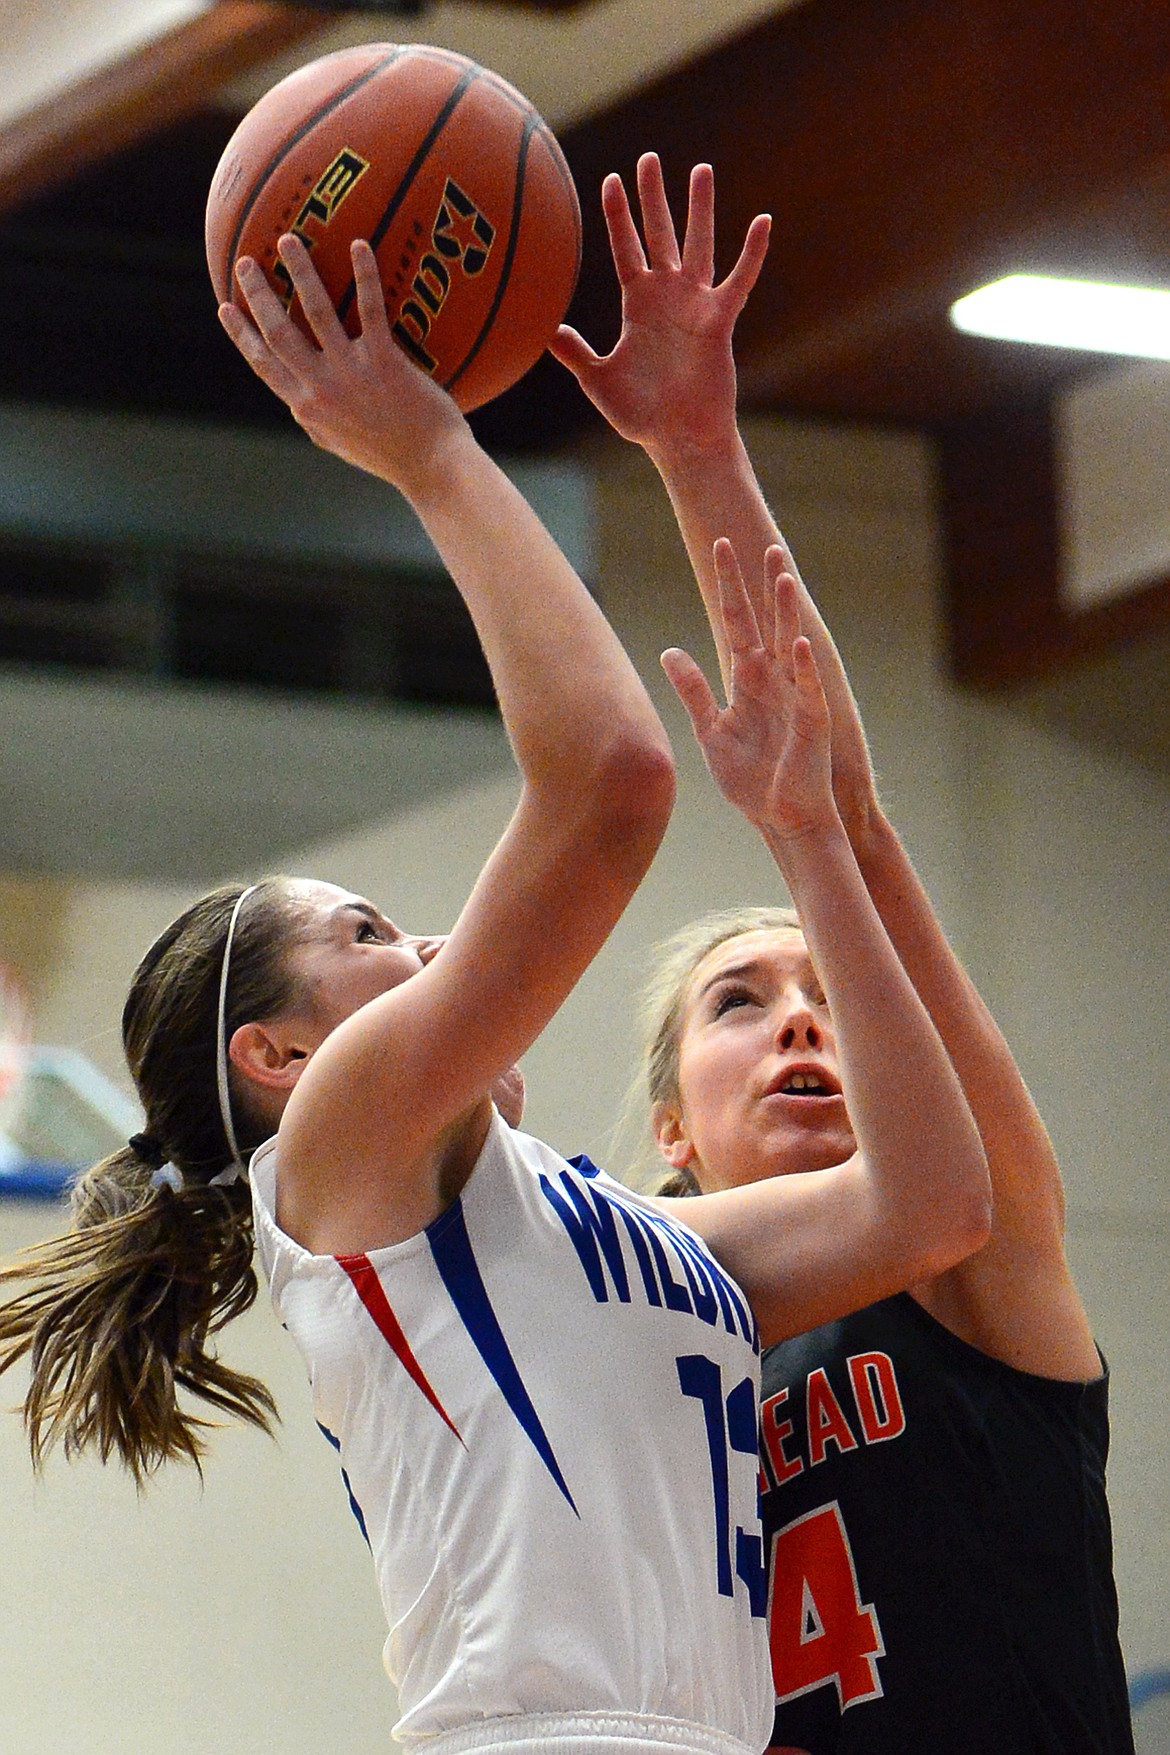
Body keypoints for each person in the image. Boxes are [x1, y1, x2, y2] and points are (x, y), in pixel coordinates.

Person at [0, 234, 989, 1755]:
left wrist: (811, 844)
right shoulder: (335, 1156)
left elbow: (930, 1206)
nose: (439, 943)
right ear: (282, 1053)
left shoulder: (610, 1232)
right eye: (372, 931)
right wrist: (429, 449)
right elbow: (610, 779)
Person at [552, 153, 1134, 1754]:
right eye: (741, 1003)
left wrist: (695, 450)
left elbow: (849, 817)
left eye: (821, 993)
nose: (801, 1019)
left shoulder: (966, 1258)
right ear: (669, 1132)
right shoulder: (639, 1315)